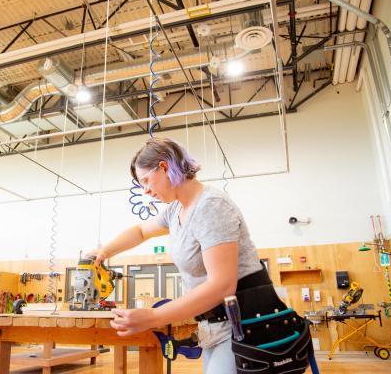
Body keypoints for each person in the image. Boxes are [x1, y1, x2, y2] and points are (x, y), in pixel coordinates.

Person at [89, 137, 270, 374]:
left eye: (145, 180)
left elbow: (223, 285)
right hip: (214, 326)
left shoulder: (210, 206)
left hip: (244, 324)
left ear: (164, 167)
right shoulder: (176, 209)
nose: (145, 190)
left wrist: (153, 317)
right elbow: (141, 231)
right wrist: (105, 251)